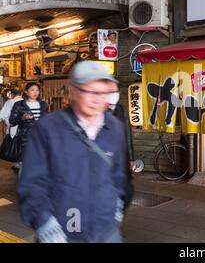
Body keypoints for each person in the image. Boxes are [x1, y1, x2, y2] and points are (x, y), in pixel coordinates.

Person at [17, 61, 127, 243]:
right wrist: (44, 221)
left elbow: (118, 175)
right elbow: (32, 182)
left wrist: (116, 208)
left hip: (106, 231)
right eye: (89, 91)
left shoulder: (114, 127)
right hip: (62, 232)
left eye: (102, 92)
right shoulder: (48, 127)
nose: (96, 99)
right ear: (73, 92)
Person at [106, 82, 135, 210]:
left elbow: (127, 134)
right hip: (104, 157)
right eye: (110, 92)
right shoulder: (98, 110)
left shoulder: (121, 109)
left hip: (120, 155)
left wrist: (131, 157)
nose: (114, 95)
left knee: (124, 187)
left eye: (115, 92)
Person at [9, 83, 49, 172]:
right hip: (25, 138)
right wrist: (22, 118)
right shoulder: (19, 105)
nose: (35, 92)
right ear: (26, 92)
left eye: (37, 90)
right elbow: (12, 121)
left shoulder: (43, 105)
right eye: (32, 90)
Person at [0, 89, 23, 170]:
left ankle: (19, 165)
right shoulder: (25, 101)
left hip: (13, 129)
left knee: (15, 146)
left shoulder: (10, 102)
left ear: (11, 94)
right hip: (26, 129)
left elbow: (2, 115)